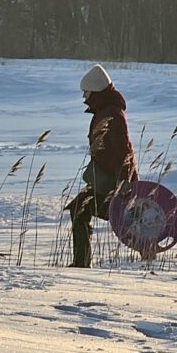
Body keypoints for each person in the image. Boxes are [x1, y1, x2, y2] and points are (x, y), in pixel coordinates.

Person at [65, 64, 138, 268]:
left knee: (84, 210)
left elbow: (124, 151)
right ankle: (81, 262)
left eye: (86, 92)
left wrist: (124, 183)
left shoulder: (112, 114)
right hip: (107, 181)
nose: (84, 97)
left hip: (115, 183)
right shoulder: (106, 111)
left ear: (96, 90)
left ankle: (81, 263)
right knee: (80, 208)